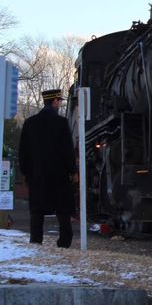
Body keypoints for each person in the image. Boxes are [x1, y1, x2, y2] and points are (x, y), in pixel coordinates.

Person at [18, 88, 76, 248]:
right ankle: (64, 241)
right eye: (59, 101)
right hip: (59, 176)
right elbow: (67, 150)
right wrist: (73, 170)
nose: (60, 104)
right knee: (63, 210)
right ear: (55, 101)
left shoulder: (30, 123)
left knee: (37, 210)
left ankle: (36, 240)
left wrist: (25, 172)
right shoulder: (62, 123)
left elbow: (23, 151)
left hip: (37, 176)